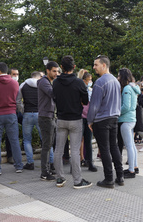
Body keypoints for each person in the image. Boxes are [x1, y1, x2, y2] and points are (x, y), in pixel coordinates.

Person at [53, 55, 92, 189]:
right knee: (75, 150)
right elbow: (86, 101)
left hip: (61, 119)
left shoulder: (56, 83)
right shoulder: (79, 82)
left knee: (58, 149)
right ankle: (77, 180)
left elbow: (54, 98)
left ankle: (59, 178)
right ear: (74, 67)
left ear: (61, 67)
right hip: (75, 119)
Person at [87, 55, 124, 189]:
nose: (94, 67)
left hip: (102, 119)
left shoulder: (100, 82)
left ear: (104, 65)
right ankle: (120, 176)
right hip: (114, 117)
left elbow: (94, 105)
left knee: (105, 149)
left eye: (96, 64)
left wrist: (90, 120)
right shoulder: (115, 81)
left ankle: (109, 179)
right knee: (114, 147)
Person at [0, 62, 23, 175]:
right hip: (11, 114)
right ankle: (19, 166)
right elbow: (17, 97)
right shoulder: (14, 83)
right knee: (14, 140)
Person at [38, 61, 60, 181]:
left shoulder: (49, 82)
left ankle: (48, 169)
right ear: (48, 71)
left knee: (49, 144)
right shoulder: (44, 82)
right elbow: (53, 94)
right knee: (46, 146)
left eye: (57, 71)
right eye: (54, 71)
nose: (56, 73)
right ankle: (44, 173)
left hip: (51, 116)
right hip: (46, 117)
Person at [16, 71, 42, 171]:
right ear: (39, 77)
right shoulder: (42, 85)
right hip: (39, 114)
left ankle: (30, 162)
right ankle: (51, 162)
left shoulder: (23, 85)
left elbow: (18, 101)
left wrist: (23, 110)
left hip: (27, 114)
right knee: (45, 139)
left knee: (27, 140)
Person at [117, 68, 141, 178]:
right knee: (132, 145)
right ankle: (134, 167)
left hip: (125, 120)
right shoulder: (133, 88)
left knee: (129, 146)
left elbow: (126, 106)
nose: (117, 78)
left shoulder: (126, 88)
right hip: (131, 119)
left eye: (118, 76)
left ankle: (131, 170)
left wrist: (117, 113)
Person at [80, 71, 97, 172]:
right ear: (84, 81)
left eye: (91, 80)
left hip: (88, 118)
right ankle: (79, 161)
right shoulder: (81, 90)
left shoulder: (91, 91)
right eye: (89, 80)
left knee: (88, 141)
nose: (90, 81)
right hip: (81, 117)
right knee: (79, 140)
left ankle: (90, 162)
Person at [5, 68, 22, 164]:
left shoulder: (19, 85)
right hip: (10, 111)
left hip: (18, 111)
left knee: (27, 125)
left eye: (17, 74)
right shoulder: (8, 85)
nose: (16, 76)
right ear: (9, 74)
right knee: (9, 133)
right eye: (14, 74)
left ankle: (25, 146)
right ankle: (10, 155)